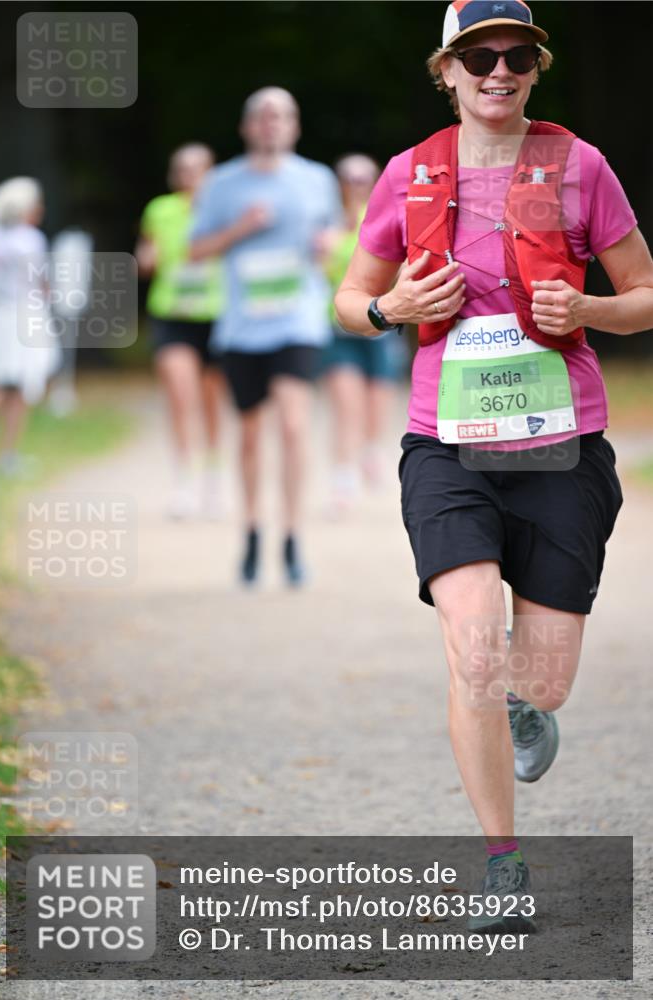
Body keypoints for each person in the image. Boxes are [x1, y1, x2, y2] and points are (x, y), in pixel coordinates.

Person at [335, 0, 653, 931]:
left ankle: (527, 703)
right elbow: (349, 298)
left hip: (560, 447)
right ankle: (501, 864)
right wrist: (390, 309)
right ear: (447, 72)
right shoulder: (409, 172)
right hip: (446, 446)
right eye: (478, 58)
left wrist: (586, 311)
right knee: (473, 644)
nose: (498, 71)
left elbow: (643, 293)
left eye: (516, 56)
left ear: (535, 69)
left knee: (540, 681)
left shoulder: (580, 166)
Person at [189, 87, 342, 585]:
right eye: (263, 116)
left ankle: (293, 536)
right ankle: (253, 530)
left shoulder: (317, 179)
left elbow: (336, 234)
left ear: (294, 126)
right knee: (251, 432)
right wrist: (241, 228)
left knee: (294, 425)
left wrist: (328, 243)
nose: (272, 123)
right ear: (246, 126)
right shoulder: (220, 183)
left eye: (282, 116)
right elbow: (195, 251)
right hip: (242, 325)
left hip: (298, 319)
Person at [136, 144, 226, 519]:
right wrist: (146, 259)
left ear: (211, 173)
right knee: (179, 395)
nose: (190, 175)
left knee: (211, 402)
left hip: (216, 313)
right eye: (183, 168)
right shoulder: (159, 209)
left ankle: (213, 479)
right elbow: (145, 255)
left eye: (197, 168)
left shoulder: (224, 210)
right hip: (172, 313)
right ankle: (183, 481)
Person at [322, 155, 408, 514]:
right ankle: (343, 479)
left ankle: (371, 451)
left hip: (380, 328)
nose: (356, 185)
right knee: (347, 406)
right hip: (339, 328)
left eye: (363, 178)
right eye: (349, 178)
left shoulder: (384, 220)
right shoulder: (326, 225)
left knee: (377, 405)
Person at [0, 177, 61, 475]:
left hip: (0, 317)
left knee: (7, 386)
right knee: (10, 388)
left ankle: (8, 456)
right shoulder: (30, 239)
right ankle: (8, 455)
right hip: (27, 316)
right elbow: (43, 283)